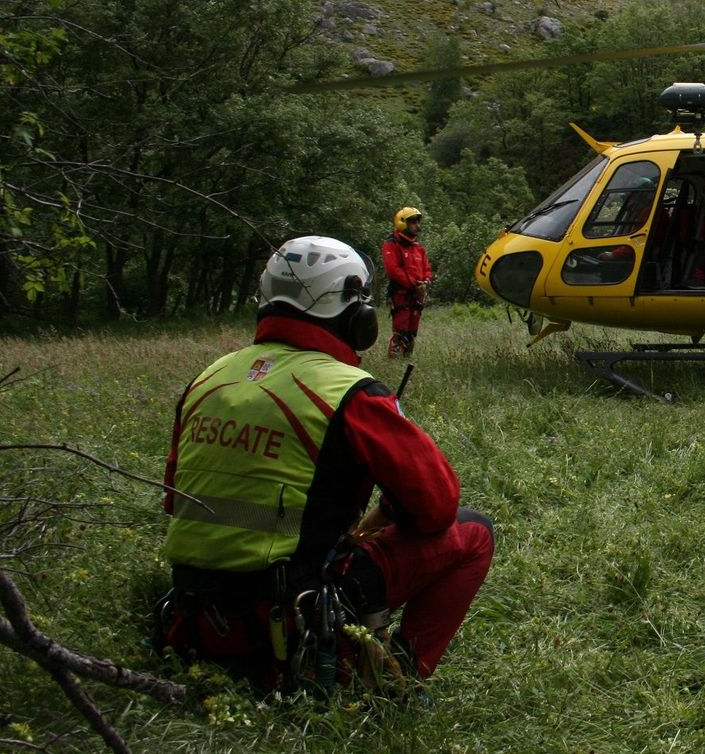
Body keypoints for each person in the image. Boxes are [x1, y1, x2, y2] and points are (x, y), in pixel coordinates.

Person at [158, 236, 493, 691]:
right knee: (473, 532)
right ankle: (394, 679)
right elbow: (435, 507)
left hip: (196, 618)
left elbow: (172, 498)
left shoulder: (210, 377)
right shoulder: (350, 392)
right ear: (352, 309)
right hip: (292, 616)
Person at [382, 207, 433, 358]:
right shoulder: (392, 244)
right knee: (401, 332)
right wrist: (414, 285)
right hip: (401, 295)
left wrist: (426, 281)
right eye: (413, 222)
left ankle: (406, 360)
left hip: (417, 297)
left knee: (412, 333)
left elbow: (427, 269)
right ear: (403, 223)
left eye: (418, 222)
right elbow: (393, 270)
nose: (418, 226)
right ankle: (394, 362)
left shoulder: (418, 247)